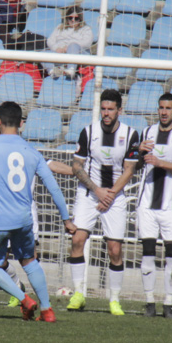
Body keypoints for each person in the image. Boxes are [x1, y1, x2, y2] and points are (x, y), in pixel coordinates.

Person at [0, 101, 76, 323]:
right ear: (21, 124)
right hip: (24, 221)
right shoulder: (32, 152)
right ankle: (47, 310)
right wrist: (66, 218)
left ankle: (24, 299)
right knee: (29, 261)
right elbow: (53, 187)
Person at [65, 89, 140, 316]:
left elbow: (130, 170)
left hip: (115, 198)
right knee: (78, 239)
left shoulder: (130, 135)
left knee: (114, 249)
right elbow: (77, 166)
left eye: (111, 109)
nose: (106, 113)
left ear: (119, 110)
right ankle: (78, 293)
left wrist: (110, 194)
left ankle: (114, 300)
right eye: (103, 109)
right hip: (89, 194)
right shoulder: (88, 132)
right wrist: (97, 190)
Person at [135, 93, 172, 319]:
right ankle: (149, 302)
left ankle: (168, 303)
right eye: (161, 107)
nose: (164, 112)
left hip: (171, 204)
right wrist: (139, 154)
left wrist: (161, 163)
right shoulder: (148, 132)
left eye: (168, 108)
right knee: (147, 252)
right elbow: (138, 164)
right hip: (147, 203)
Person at [43, 7, 93, 79]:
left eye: (76, 18)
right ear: (67, 18)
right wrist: (56, 48)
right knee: (43, 53)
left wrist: (69, 47)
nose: (73, 20)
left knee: (73, 46)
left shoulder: (86, 29)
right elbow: (50, 40)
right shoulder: (60, 27)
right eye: (70, 18)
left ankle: (71, 69)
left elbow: (87, 43)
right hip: (60, 53)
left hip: (78, 54)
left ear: (80, 19)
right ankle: (53, 72)